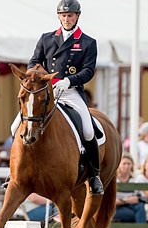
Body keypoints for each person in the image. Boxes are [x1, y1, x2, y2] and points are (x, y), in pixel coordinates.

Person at [12, 0, 103, 194]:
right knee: (15, 127)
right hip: (45, 91)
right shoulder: (46, 38)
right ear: (59, 17)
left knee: (88, 130)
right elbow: (34, 61)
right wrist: (35, 76)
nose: (67, 19)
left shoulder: (87, 42)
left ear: (77, 16)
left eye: (70, 15)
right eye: (63, 15)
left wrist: (69, 81)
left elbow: (88, 71)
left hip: (70, 91)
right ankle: (13, 172)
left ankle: (94, 176)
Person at [113, 152, 147, 228]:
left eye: (129, 163)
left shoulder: (134, 181)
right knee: (139, 213)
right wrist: (126, 200)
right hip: (117, 210)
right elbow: (112, 202)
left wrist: (123, 200)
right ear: (119, 165)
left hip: (131, 208)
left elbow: (138, 198)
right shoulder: (114, 180)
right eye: (124, 163)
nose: (127, 166)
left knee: (140, 207)